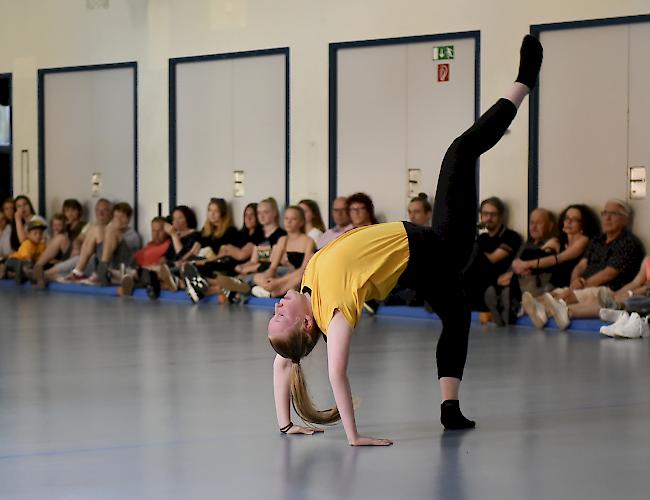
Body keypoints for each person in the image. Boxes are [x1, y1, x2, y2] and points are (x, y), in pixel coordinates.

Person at [266, 36, 543, 444]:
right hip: (441, 246)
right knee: (461, 150)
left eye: (274, 312)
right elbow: (336, 372)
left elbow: (283, 362)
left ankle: (450, 408)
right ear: (306, 323)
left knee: (457, 314)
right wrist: (353, 436)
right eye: (281, 314)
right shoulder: (334, 314)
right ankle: (523, 83)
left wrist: (286, 423)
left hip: (419, 268)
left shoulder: (307, 294)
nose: (277, 304)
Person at [523, 199, 645, 330]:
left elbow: (609, 273)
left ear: (625, 220)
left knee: (563, 296)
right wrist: (576, 280)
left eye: (613, 214)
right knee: (551, 295)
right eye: (605, 213)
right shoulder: (597, 240)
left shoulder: (628, 243)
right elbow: (581, 265)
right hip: (583, 285)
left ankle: (544, 313)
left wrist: (582, 284)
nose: (607, 218)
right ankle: (532, 310)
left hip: (606, 289)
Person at [484, 208, 558, 325]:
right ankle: (503, 305)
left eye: (538, 223)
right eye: (531, 223)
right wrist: (504, 277)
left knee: (513, 285)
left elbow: (546, 263)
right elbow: (513, 267)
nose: (533, 227)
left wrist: (519, 271)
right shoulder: (525, 245)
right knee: (501, 283)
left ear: (550, 226)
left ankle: (508, 307)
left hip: (537, 283)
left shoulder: (553, 243)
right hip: (518, 281)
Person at [462, 196, 522, 314]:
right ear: (481, 216)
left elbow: (492, 259)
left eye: (493, 214)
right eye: (485, 214)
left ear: (501, 216)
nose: (488, 218)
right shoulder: (482, 238)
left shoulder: (511, 236)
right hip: (476, 283)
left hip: (495, 284)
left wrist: (470, 245)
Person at [63, 202, 141, 285]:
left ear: (128, 219)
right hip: (107, 264)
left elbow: (115, 246)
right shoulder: (109, 229)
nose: (118, 220)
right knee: (95, 229)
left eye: (122, 217)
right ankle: (78, 272)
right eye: (116, 217)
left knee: (110, 232)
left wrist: (110, 230)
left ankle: (102, 270)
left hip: (123, 267)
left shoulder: (132, 235)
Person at [250, 205, 315, 298]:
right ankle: (270, 289)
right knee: (257, 276)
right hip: (286, 276)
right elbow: (273, 266)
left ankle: (274, 293)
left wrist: (277, 282)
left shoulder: (309, 241)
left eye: (293, 219)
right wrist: (267, 279)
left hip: (298, 277)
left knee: (298, 278)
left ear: (301, 222)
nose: (289, 222)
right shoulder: (283, 239)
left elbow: (304, 269)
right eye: (286, 218)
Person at [0, 219, 47, 283]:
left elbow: (43, 258)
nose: (38, 236)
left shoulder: (42, 245)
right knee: (21, 264)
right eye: (35, 233)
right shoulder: (27, 244)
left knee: (27, 267)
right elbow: (28, 259)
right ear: (28, 235)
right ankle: (18, 278)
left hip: (26, 264)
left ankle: (9, 274)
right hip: (13, 260)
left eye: (40, 233)